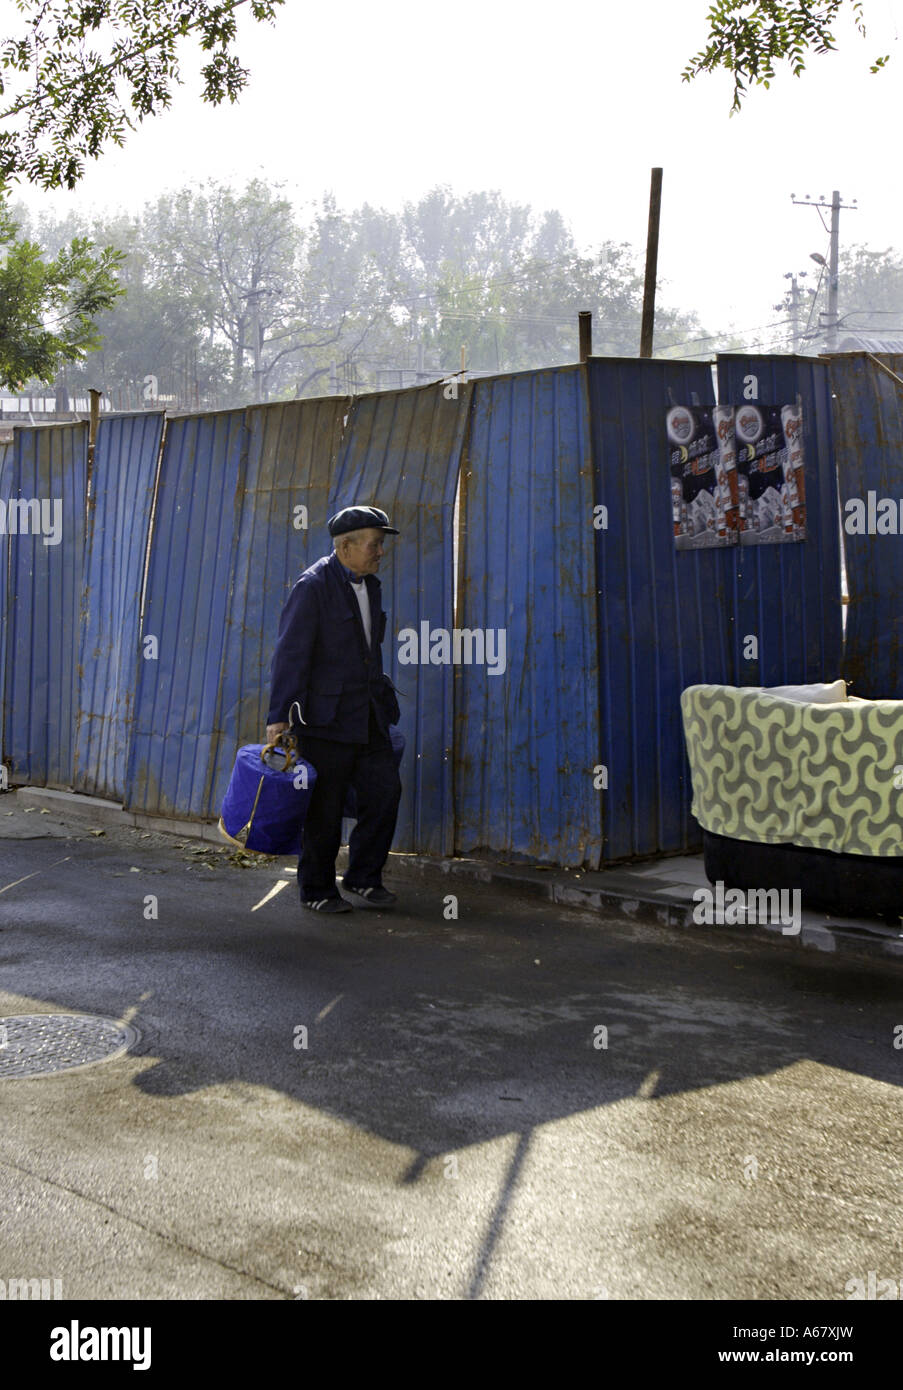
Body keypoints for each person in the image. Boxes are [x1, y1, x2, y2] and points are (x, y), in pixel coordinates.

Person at [265, 506, 402, 914]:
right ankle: (317, 890)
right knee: (324, 808)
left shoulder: (370, 586)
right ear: (345, 547)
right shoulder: (313, 586)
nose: (381, 552)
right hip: (325, 719)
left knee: (385, 794)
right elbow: (290, 654)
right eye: (374, 545)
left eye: (380, 545)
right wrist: (279, 716)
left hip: (369, 715)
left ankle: (363, 877)